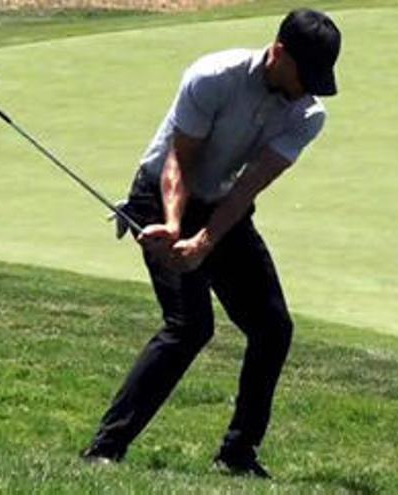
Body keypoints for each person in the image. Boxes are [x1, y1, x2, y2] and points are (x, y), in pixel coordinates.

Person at [81, 8, 341, 478]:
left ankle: (237, 454)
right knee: (189, 325)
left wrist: (206, 239)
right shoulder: (213, 76)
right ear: (279, 53)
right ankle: (105, 448)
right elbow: (178, 164)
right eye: (306, 75)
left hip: (224, 204)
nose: (310, 89)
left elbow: (248, 187)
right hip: (160, 194)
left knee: (272, 327)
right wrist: (176, 229)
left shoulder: (307, 114)